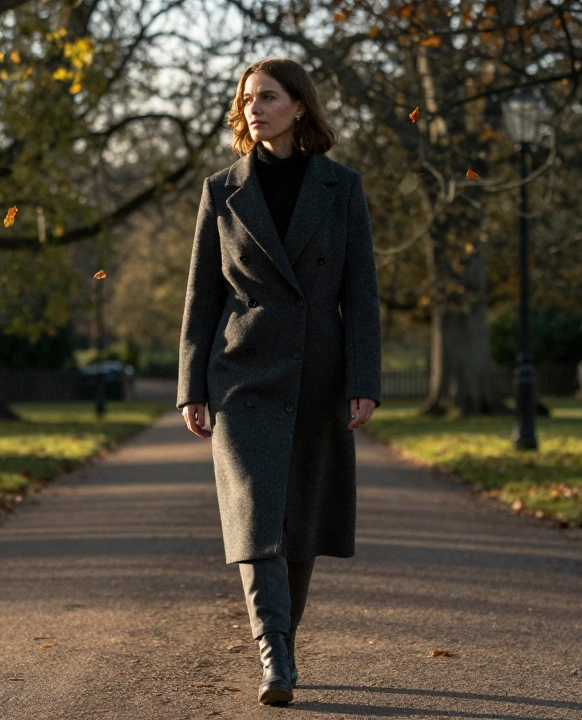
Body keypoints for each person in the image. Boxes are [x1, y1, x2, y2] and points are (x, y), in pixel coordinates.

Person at [176, 57, 382, 706]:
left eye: (267, 97)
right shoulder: (221, 191)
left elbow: (361, 293)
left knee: (302, 518)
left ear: (299, 107)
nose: (254, 108)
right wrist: (191, 386)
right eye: (247, 99)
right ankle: (274, 656)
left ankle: (283, 645)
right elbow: (202, 297)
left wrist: (363, 379)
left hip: (318, 373)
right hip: (241, 373)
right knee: (255, 511)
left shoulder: (341, 188)